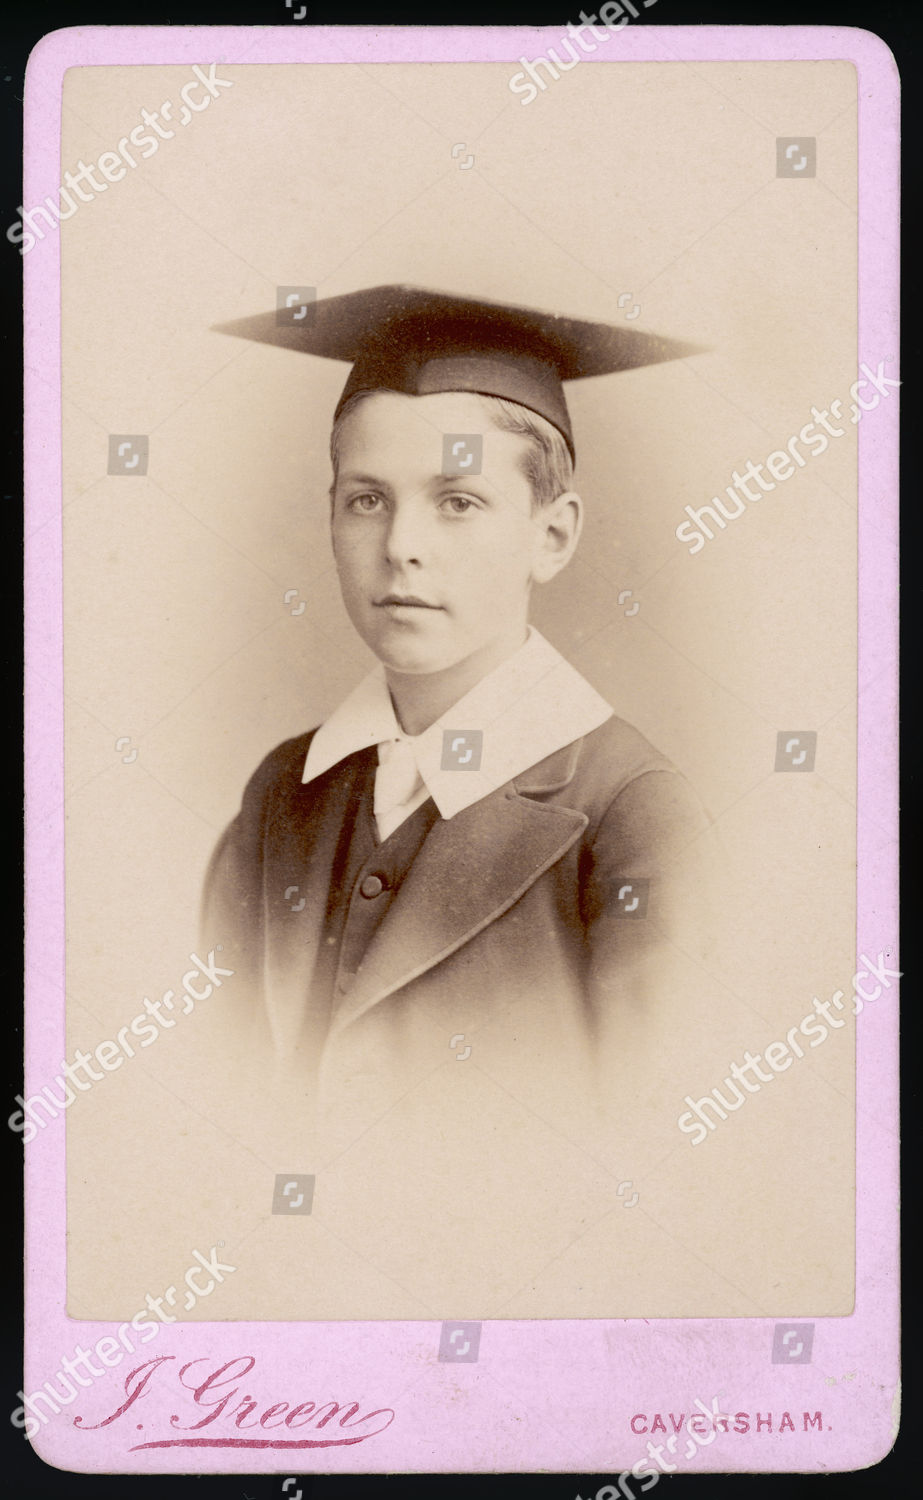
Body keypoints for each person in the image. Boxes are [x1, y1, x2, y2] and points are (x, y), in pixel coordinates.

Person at [202, 285, 713, 1186]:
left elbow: (656, 1164)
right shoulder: (282, 791)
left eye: (458, 501)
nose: (401, 545)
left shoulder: (631, 816)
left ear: (551, 536)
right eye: (366, 499)